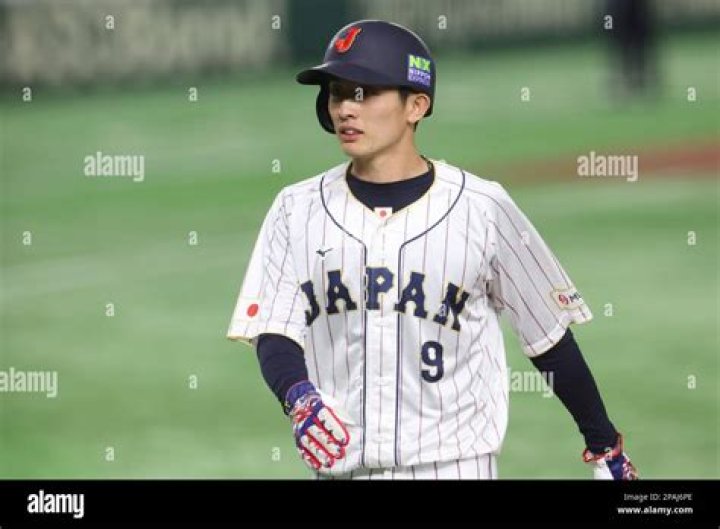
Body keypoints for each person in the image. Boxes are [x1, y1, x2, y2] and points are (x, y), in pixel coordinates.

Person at [227, 20, 638, 480]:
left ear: (416, 105)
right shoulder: (295, 209)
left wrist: (604, 445)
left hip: (454, 467)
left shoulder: (481, 207)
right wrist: (297, 395)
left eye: (365, 93)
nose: (345, 108)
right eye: (337, 94)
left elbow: (548, 338)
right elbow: (274, 329)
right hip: (341, 469)